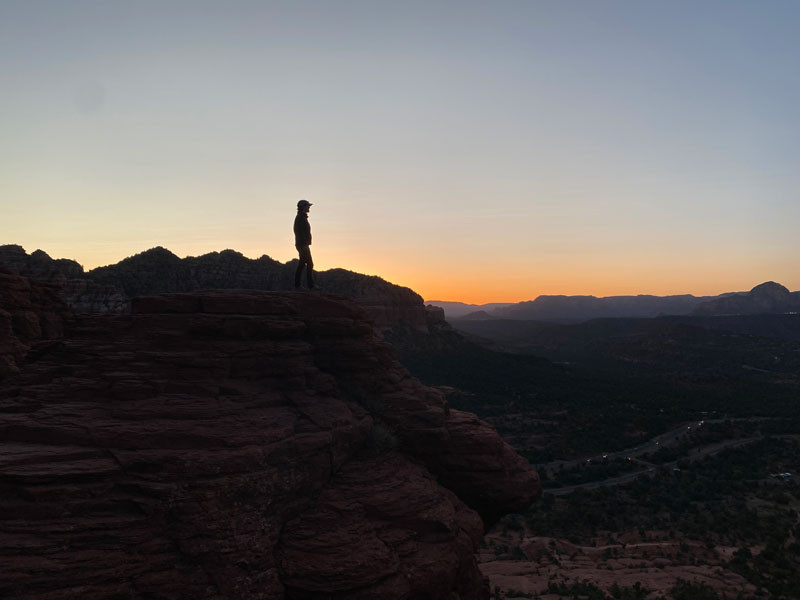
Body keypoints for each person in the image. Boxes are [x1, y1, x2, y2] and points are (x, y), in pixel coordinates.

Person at [293, 199, 314, 289]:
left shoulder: (302, 217)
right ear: (303, 207)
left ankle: (302, 285)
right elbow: (299, 231)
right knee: (308, 263)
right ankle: (308, 286)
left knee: (304, 263)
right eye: (307, 205)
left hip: (303, 244)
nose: (309, 207)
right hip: (302, 244)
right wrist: (305, 243)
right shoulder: (300, 218)